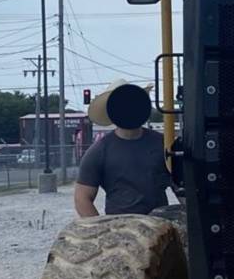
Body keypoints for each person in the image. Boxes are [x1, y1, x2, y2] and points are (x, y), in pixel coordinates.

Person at [73, 81, 174, 217]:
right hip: (120, 226)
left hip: (160, 227)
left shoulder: (164, 145)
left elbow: (183, 190)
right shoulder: (99, 152)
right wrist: (102, 230)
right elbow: (82, 198)